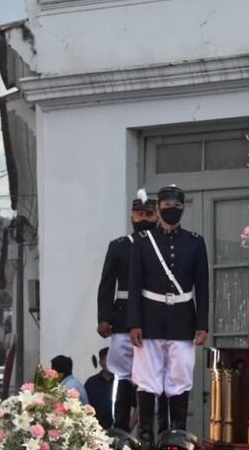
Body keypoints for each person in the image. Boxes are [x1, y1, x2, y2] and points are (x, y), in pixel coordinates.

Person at [127, 184, 209, 446]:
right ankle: (146, 437)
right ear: (159, 207)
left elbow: (202, 286)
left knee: (180, 377)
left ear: (183, 207)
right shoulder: (143, 241)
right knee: (146, 379)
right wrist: (134, 323)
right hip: (149, 319)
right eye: (167, 205)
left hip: (183, 319)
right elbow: (134, 284)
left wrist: (202, 323)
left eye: (176, 206)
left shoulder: (195, 242)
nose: (172, 209)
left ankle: (178, 435)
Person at [99, 189, 158, 431]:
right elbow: (107, 283)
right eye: (139, 214)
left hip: (154, 318)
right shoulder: (119, 246)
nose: (143, 218)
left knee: (152, 376)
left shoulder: (165, 246)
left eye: (148, 214)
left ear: (156, 217)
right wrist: (104, 317)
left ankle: (148, 431)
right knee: (122, 375)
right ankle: (120, 427)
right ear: (132, 217)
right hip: (123, 318)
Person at [85, 348, 115, 429]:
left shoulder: (122, 383)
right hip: (95, 430)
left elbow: (137, 407)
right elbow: (84, 405)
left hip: (118, 431)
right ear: (101, 363)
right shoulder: (91, 382)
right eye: (108, 360)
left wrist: (128, 428)